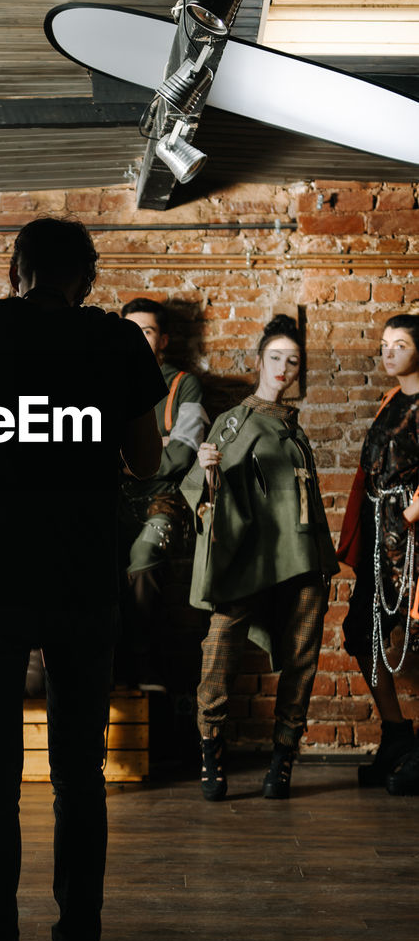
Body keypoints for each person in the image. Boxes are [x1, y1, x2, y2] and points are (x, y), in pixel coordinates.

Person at [0, 218, 165, 941]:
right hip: (79, 578)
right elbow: (145, 462)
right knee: (78, 775)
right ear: (86, 280)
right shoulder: (117, 343)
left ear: (14, 267)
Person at [181, 314, 338, 802]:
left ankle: (282, 760)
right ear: (259, 361)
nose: (283, 368)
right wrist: (206, 470)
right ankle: (211, 753)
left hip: (305, 556)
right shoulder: (236, 421)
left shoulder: (295, 428)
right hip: (251, 557)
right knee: (219, 648)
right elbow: (204, 489)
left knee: (302, 659)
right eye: (275, 358)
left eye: (292, 361)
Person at [339, 312, 419, 794]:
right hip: (379, 538)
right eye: (386, 343)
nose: (389, 351)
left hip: (413, 540)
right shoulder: (391, 400)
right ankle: (396, 735)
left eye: (402, 344)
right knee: (360, 633)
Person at [117, 297, 208, 690]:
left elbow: (182, 453)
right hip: (112, 499)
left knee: (144, 557)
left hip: (162, 499)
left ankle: (141, 665)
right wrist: (155, 445)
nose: (137, 338)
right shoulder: (103, 381)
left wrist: (129, 456)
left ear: (164, 340)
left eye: (147, 331)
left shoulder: (182, 384)